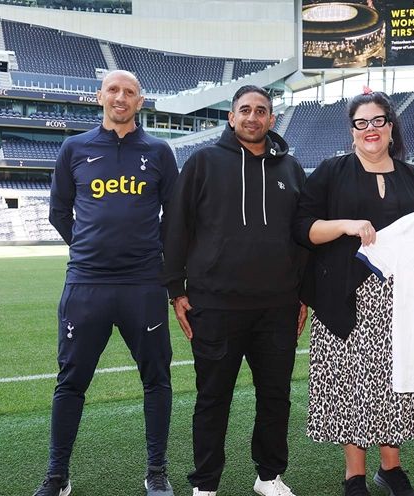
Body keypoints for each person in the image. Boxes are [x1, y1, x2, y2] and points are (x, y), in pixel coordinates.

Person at [38, 70, 178, 496]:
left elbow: (174, 220)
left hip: (143, 285)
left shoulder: (159, 152)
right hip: (87, 284)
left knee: (156, 379)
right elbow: (59, 212)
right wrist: (89, 249)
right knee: (71, 382)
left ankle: (156, 471)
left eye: (129, 91)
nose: (120, 97)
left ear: (141, 101)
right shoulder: (74, 148)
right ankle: (57, 475)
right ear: (100, 96)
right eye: (113, 90)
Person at [162, 85, 308, 496]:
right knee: (212, 398)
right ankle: (205, 484)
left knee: (276, 397)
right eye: (244, 109)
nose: (252, 117)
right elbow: (175, 226)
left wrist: (304, 295)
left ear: (271, 119)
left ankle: (269, 477)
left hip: (278, 307)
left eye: (261, 110)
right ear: (231, 116)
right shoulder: (203, 162)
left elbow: (304, 236)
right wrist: (176, 290)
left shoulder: (291, 170)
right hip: (215, 305)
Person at [293, 90, 414, 496]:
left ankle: (391, 468)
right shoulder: (331, 172)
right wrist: (345, 225)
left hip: (400, 300)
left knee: (396, 382)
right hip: (344, 296)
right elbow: (303, 228)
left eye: (378, 121)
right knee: (350, 383)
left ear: (391, 127)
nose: (370, 129)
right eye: (361, 123)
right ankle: (354, 473)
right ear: (352, 130)